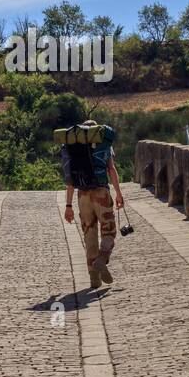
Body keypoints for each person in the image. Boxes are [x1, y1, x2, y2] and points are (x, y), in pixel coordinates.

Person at [59, 121, 124, 290]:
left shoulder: (75, 147)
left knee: (89, 234)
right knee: (109, 230)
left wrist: (68, 206)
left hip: (83, 196)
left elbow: (70, 180)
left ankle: (94, 280)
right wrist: (118, 193)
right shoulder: (104, 143)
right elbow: (111, 169)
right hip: (101, 192)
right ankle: (101, 260)